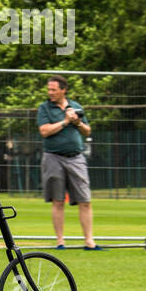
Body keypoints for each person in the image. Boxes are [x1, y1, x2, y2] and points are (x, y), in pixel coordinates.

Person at [37, 75, 99, 249]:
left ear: (63, 90)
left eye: (54, 90)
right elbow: (44, 131)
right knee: (57, 200)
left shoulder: (76, 107)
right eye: (49, 89)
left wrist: (77, 122)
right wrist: (65, 121)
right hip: (53, 158)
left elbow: (87, 131)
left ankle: (89, 241)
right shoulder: (44, 108)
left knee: (85, 200)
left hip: (76, 158)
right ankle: (60, 241)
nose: (50, 93)